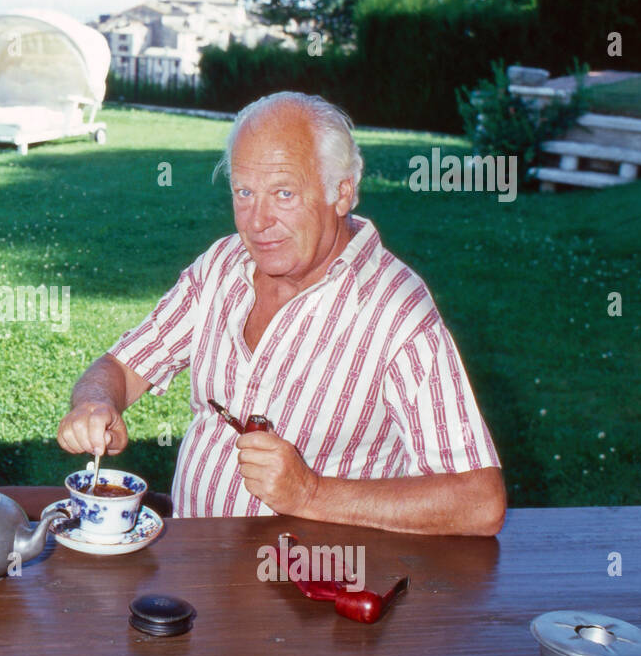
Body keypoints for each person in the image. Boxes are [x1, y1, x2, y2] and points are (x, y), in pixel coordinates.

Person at [57, 92, 505, 536]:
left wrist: (309, 493)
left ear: (342, 192)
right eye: (244, 192)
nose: (257, 221)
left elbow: (479, 501)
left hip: (314, 589)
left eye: (284, 193)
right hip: (194, 569)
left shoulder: (396, 311)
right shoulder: (222, 265)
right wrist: (96, 401)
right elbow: (121, 365)